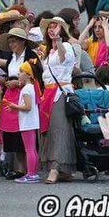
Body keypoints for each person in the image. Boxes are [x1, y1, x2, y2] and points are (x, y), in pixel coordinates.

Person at [0, 27, 40, 180]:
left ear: (22, 42)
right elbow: (8, 76)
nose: (12, 44)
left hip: (23, 92)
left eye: (15, 41)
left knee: (23, 132)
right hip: (11, 94)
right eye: (10, 42)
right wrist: (4, 81)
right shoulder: (11, 58)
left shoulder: (31, 56)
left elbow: (34, 77)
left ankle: (28, 169)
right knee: (12, 133)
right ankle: (19, 168)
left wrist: (18, 83)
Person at [38, 17, 76, 184]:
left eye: (55, 26)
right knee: (48, 130)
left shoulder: (65, 46)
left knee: (59, 129)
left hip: (61, 91)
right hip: (48, 93)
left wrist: (59, 41)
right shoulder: (47, 51)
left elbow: (63, 58)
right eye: (50, 27)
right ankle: (57, 167)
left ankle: (56, 167)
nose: (52, 29)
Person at [5, 61, 40, 183]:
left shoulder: (25, 89)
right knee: (33, 149)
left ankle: (31, 174)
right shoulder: (33, 88)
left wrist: (14, 106)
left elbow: (28, 106)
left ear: (29, 75)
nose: (18, 75)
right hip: (32, 122)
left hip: (27, 123)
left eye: (21, 72)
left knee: (29, 149)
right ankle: (33, 173)